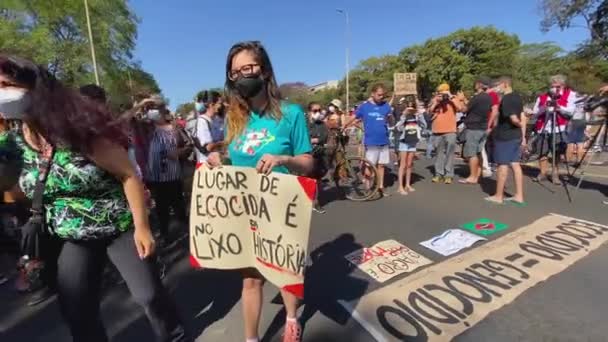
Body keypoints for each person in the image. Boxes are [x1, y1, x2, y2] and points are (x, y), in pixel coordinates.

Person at [0, 54, 186, 342]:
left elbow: (128, 174)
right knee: (77, 311)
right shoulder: (13, 143)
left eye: (5, 84)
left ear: (33, 87)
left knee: (148, 295)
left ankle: (175, 336)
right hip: (71, 236)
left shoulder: (77, 131)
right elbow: (13, 191)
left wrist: (142, 227)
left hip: (118, 225)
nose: (1, 93)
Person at [206, 41, 313, 342]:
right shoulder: (234, 119)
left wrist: (284, 159)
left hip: (281, 210)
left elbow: (308, 162)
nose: (241, 76)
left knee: (285, 273)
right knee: (251, 281)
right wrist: (219, 160)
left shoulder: (291, 114)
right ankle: (250, 338)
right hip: (245, 213)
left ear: (264, 71)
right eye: (234, 72)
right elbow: (235, 159)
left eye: (248, 68)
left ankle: (292, 319)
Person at [142, 98, 190, 244]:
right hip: (155, 178)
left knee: (179, 207)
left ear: (162, 111)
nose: (152, 112)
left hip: (173, 177)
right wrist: (141, 104)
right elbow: (127, 119)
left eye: (155, 108)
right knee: (161, 210)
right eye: (150, 109)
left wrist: (178, 153)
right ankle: (165, 235)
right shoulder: (147, 129)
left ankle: (189, 235)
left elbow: (189, 146)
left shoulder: (175, 128)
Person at [343, 84, 393, 197]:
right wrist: (344, 126)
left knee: (381, 166)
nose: (381, 97)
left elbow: (391, 122)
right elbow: (353, 118)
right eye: (379, 95)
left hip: (384, 140)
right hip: (371, 141)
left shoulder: (386, 106)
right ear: (373, 94)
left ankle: (380, 187)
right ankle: (368, 187)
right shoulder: (364, 107)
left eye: (383, 95)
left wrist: (391, 118)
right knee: (369, 165)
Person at [485, 77, 526, 205]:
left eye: (498, 85)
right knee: (515, 164)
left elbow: (514, 118)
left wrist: (517, 124)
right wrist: (523, 136)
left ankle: (498, 196)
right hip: (515, 136)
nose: (496, 88)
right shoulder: (517, 97)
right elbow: (523, 116)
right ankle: (519, 195)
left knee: (502, 165)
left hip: (506, 136)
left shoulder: (507, 99)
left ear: (505, 84)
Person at [532, 74, 576, 185]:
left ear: (562, 85)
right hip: (543, 127)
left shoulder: (570, 94)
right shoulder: (542, 97)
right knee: (542, 151)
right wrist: (543, 108)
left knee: (557, 152)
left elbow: (571, 110)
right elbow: (535, 113)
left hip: (559, 128)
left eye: (557, 86)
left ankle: (555, 174)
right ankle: (542, 173)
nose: (554, 88)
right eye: (552, 86)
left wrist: (559, 108)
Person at [429, 83, 465, 184]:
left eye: (443, 92)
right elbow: (429, 111)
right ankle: (438, 174)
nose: (442, 94)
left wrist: (450, 96)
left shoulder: (453, 99)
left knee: (450, 154)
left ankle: (448, 174)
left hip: (450, 130)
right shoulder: (435, 99)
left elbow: (460, 108)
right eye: (440, 92)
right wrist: (436, 101)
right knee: (439, 154)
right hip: (437, 131)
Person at [459, 77, 493, 184]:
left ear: (480, 85)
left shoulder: (477, 97)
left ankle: (472, 177)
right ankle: (477, 175)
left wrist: (461, 99)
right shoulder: (488, 98)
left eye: (477, 83)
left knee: (471, 153)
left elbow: (464, 109)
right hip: (482, 127)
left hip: (474, 128)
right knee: (478, 152)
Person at [188, 90, 225, 167]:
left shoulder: (217, 120)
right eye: (219, 104)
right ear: (212, 105)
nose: (221, 106)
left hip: (217, 164)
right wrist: (225, 142)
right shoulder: (202, 121)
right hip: (206, 165)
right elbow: (208, 147)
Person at [396, 102, 425, 195]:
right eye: (409, 108)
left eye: (412, 108)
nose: (410, 109)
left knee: (409, 164)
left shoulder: (416, 117)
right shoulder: (404, 117)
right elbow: (398, 128)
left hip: (413, 142)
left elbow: (424, 125)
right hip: (404, 142)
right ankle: (400, 186)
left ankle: (408, 184)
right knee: (403, 165)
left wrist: (420, 115)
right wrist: (404, 115)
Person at [307, 102, 329, 213]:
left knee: (318, 178)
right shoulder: (304, 124)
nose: (318, 113)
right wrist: (311, 140)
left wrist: (315, 140)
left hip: (320, 154)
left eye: (319, 110)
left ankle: (314, 200)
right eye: (315, 111)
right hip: (307, 155)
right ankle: (314, 202)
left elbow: (325, 137)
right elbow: (302, 138)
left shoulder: (322, 124)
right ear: (309, 112)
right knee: (310, 179)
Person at [566, 94, 589, 165]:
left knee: (570, 143)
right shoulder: (585, 105)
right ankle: (579, 161)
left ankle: (568, 160)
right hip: (581, 124)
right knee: (580, 144)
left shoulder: (573, 103)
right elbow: (587, 116)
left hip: (573, 124)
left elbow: (568, 114)